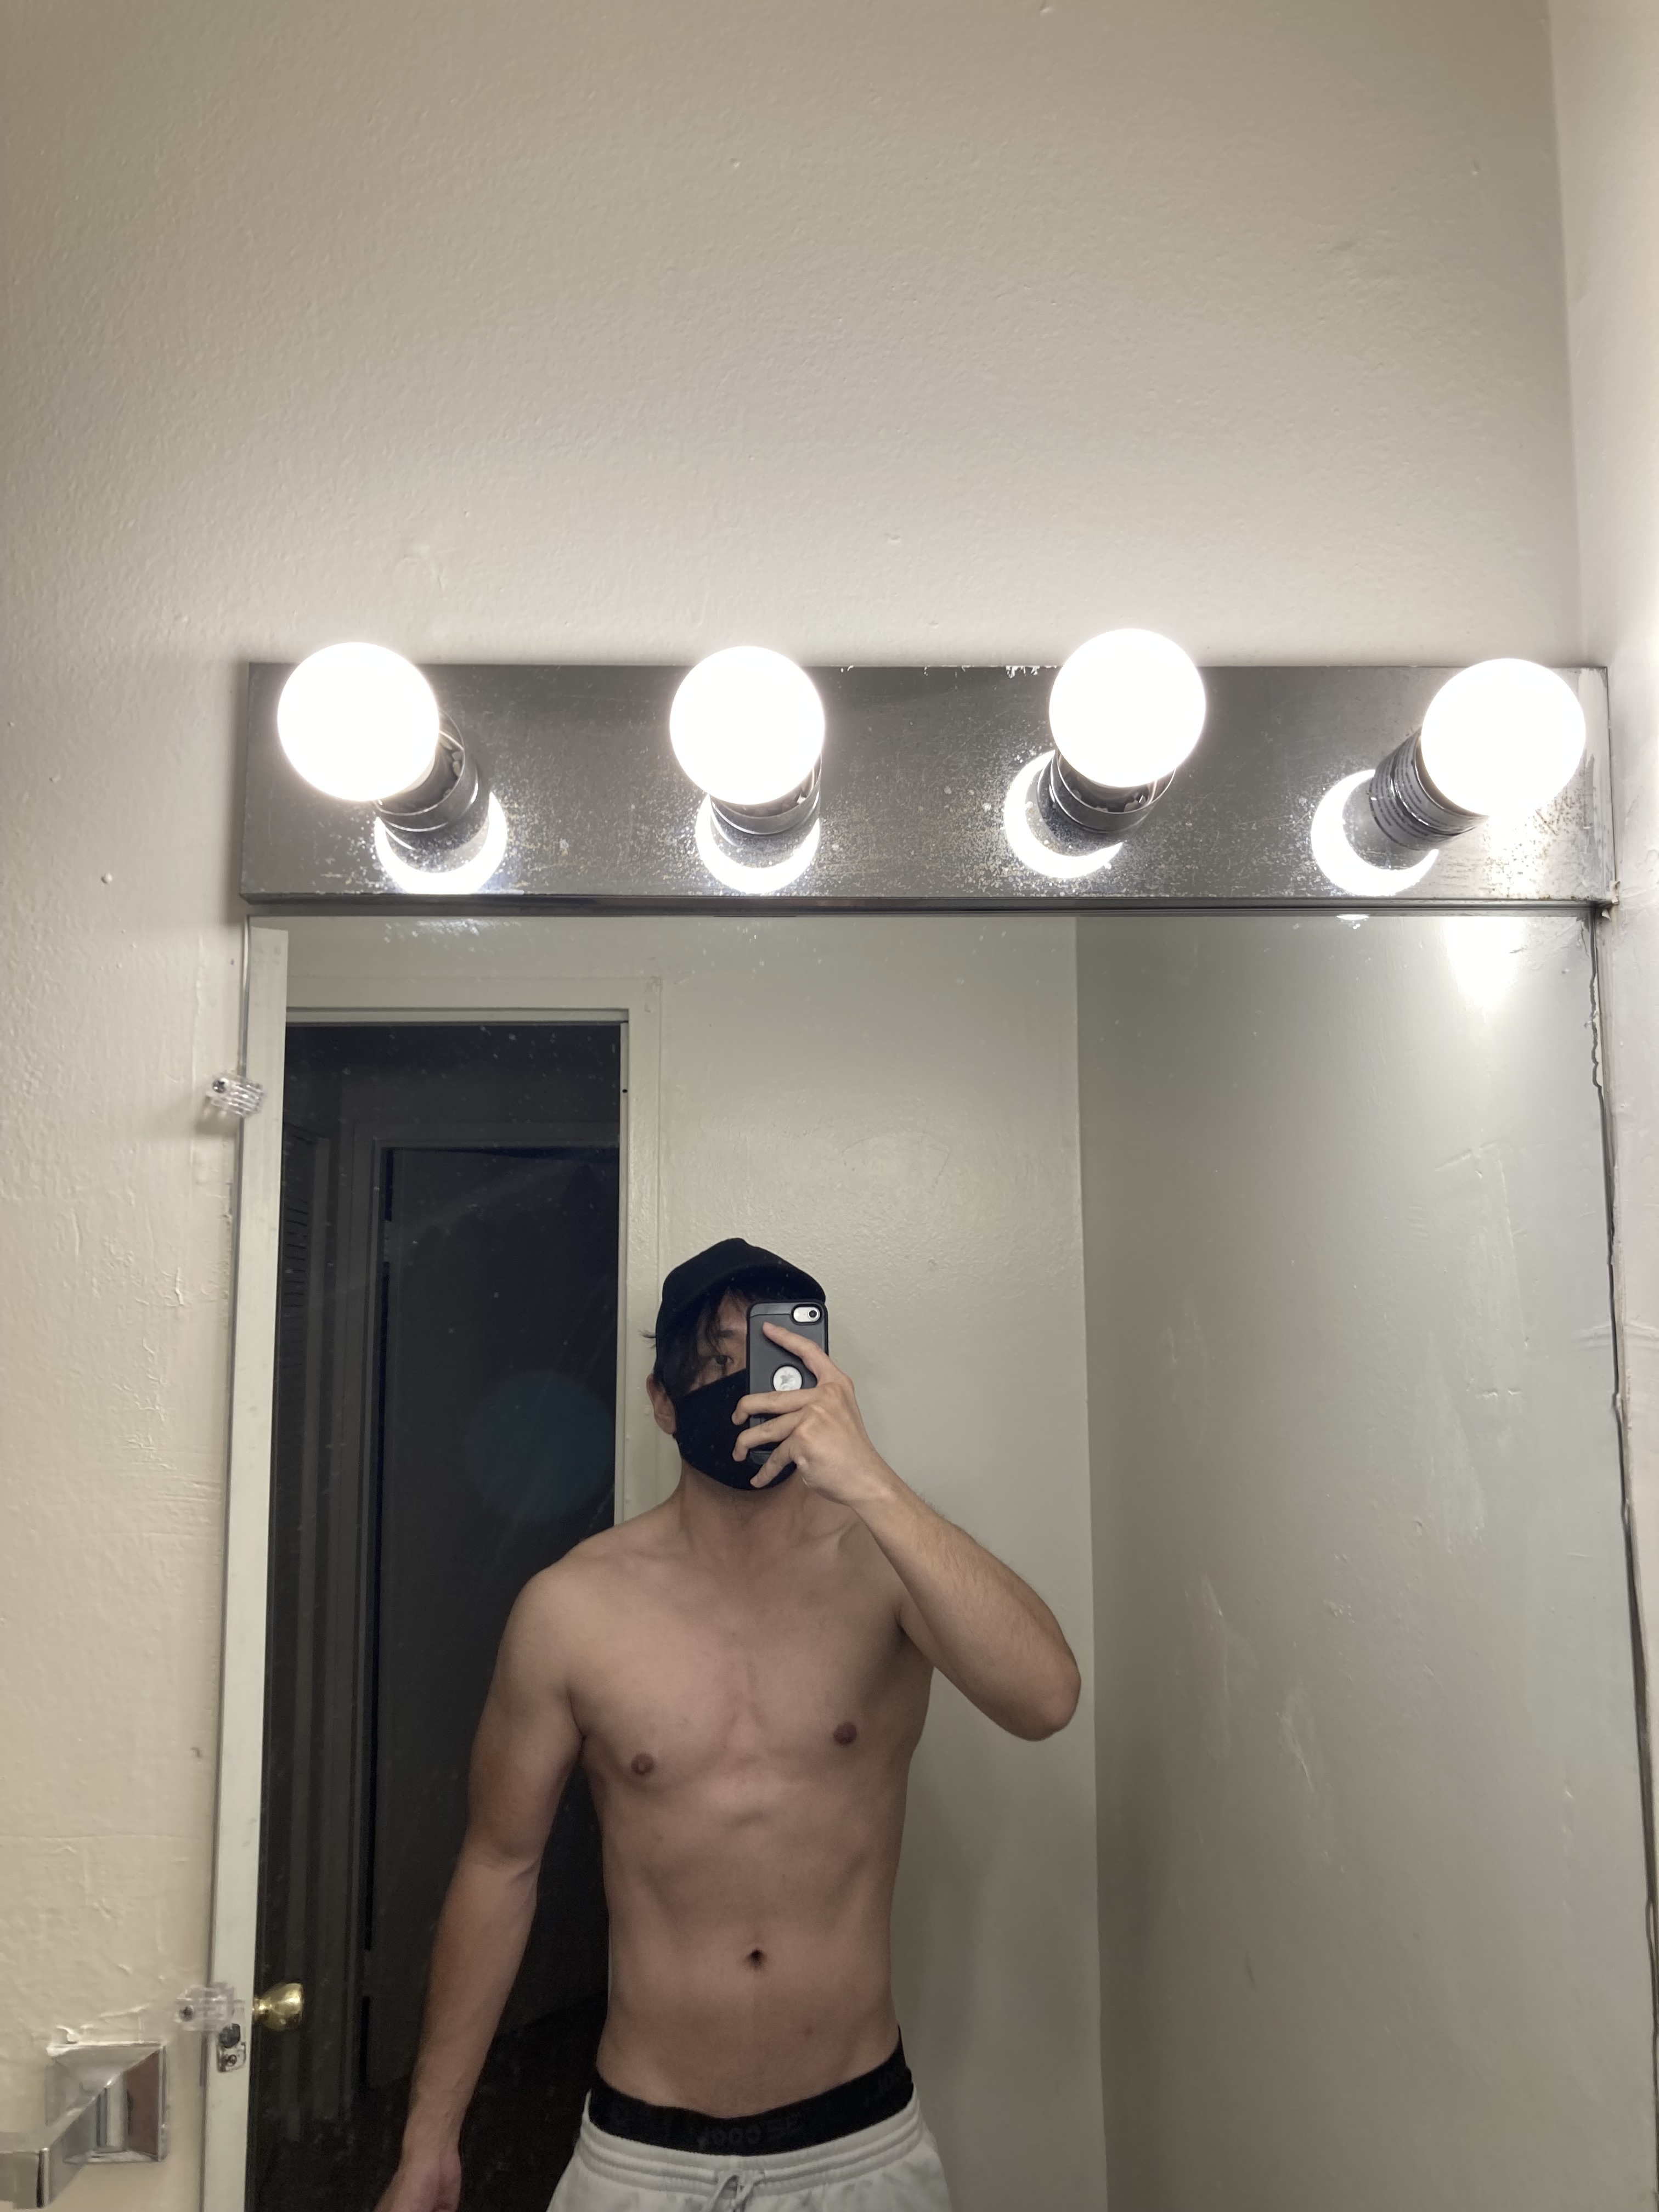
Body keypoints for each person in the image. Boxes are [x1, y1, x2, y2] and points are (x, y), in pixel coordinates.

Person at [376, 1238, 1081, 2212]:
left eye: (770, 1356)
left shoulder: (888, 1570)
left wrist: (870, 1480)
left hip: (861, 2143)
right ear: (663, 1402)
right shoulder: (572, 1609)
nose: (741, 1386)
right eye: (711, 1362)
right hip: (643, 2153)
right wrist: (429, 2139)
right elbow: (500, 1865)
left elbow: (1046, 1699)